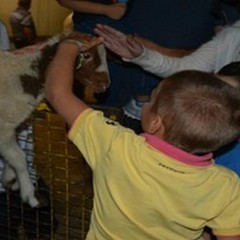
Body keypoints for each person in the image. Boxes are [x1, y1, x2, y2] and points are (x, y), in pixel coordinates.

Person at [45, 40, 240, 240]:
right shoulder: (226, 185)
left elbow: (57, 93)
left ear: (155, 123)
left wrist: (68, 48)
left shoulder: (115, 145)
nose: (147, 101)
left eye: (152, 99)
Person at [57, 0, 234, 131]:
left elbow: (223, 63)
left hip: (180, 108)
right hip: (120, 95)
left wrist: (150, 50)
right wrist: (139, 53)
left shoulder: (227, 20)